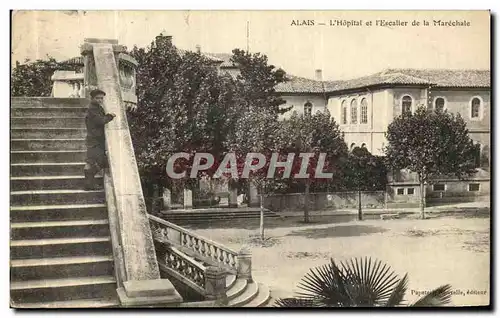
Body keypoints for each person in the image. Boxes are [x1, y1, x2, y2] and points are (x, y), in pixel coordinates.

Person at [83, 89, 116, 190]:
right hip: (94, 140)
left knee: (98, 161)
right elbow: (100, 121)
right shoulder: (92, 109)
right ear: (92, 98)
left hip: (96, 139)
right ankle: (89, 184)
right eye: (97, 98)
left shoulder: (97, 107)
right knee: (95, 162)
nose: (100, 100)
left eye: (101, 98)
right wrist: (110, 116)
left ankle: (89, 184)